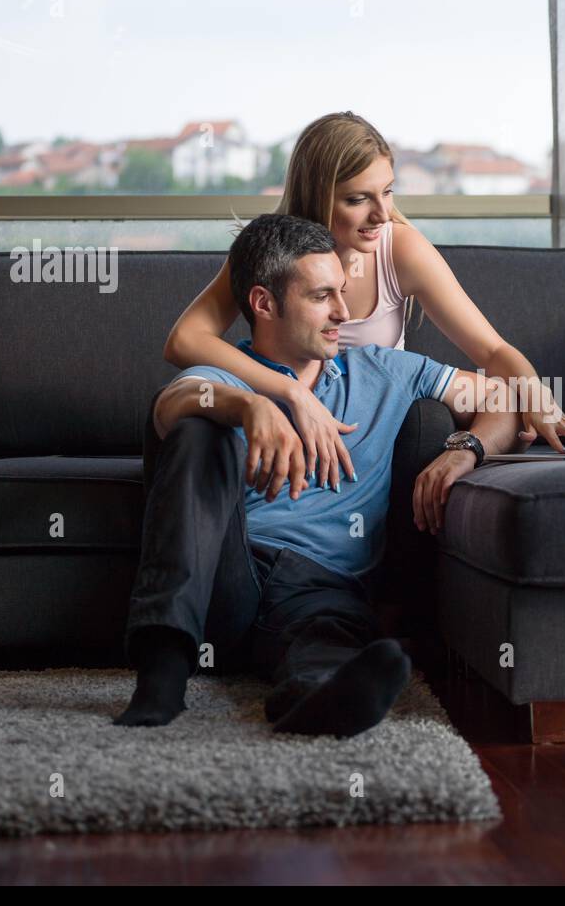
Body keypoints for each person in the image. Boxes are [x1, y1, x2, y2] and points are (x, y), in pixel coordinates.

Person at [113, 213, 521, 736]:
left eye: (342, 293)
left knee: (326, 645)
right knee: (195, 429)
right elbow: (170, 405)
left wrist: (467, 448)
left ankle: (320, 698)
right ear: (264, 303)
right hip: (224, 579)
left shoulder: (382, 371)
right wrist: (248, 406)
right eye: (321, 296)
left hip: (317, 588)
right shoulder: (226, 375)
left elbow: (500, 398)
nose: (343, 313)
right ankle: (161, 675)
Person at [163, 111, 565, 531]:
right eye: (358, 199)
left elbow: (490, 351)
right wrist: (291, 393)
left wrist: (535, 393)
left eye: (388, 192)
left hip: (375, 429)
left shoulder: (399, 247)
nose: (382, 214)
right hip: (295, 420)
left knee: (430, 419)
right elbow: (185, 339)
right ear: (318, 195)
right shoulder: (275, 251)